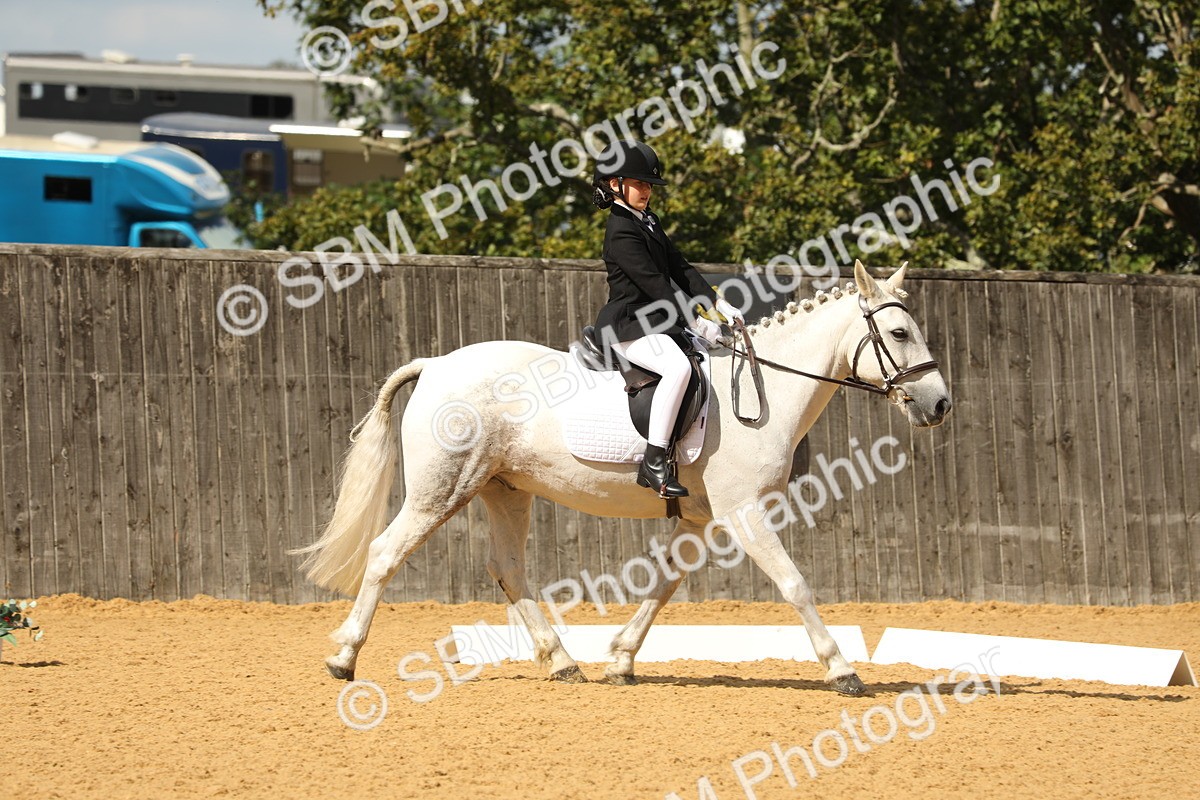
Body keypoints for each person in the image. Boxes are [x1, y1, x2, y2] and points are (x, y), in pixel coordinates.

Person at [591, 139, 744, 498]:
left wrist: (717, 304)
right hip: (629, 325)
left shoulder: (647, 221)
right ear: (615, 185)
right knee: (679, 369)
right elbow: (656, 284)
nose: (646, 191)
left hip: (658, 321)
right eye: (640, 183)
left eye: (649, 185)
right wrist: (696, 321)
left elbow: (680, 268)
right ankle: (654, 459)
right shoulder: (621, 230)